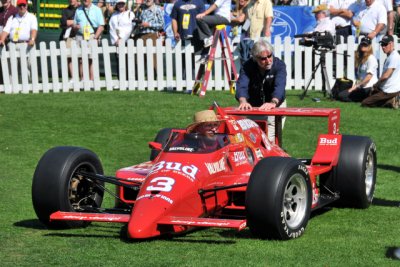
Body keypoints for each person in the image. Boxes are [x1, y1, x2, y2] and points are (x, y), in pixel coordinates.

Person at [235, 38, 286, 142]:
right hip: (253, 106)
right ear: (255, 58)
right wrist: (243, 101)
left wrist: (273, 102)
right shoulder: (247, 66)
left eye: (270, 56)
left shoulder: (279, 65)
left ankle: (273, 156)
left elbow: (280, 86)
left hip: (275, 104)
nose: (268, 61)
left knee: (269, 140)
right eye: (263, 59)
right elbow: (242, 85)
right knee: (251, 138)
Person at [361, 35, 400, 109]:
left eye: (385, 44)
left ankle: (391, 101)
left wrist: (376, 84)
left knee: (365, 103)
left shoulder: (394, 57)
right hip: (386, 88)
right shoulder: (391, 56)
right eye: (382, 44)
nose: (383, 47)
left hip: (389, 90)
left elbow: (386, 75)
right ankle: (390, 101)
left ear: (391, 44)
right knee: (369, 94)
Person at [337, 37, 378, 102]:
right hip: (361, 86)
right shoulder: (361, 58)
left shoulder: (371, 58)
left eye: (365, 45)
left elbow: (368, 77)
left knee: (343, 96)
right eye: (362, 44)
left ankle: (368, 98)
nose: (363, 46)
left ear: (369, 47)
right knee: (341, 94)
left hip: (369, 87)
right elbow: (360, 76)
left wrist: (356, 86)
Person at [72, 0, 105, 80]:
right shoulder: (78, 10)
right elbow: (74, 24)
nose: (85, 0)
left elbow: (101, 26)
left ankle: (92, 80)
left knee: (92, 59)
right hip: (80, 36)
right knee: (81, 59)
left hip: (92, 36)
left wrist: (95, 37)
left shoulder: (97, 10)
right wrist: (75, 27)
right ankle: (83, 79)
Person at [134, 0, 164, 74]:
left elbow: (162, 24)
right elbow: (137, 20)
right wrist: (138, 23)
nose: (147, 0)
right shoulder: (141, 8)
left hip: (152, 35)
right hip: (140, 35)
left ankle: (156, 80)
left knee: (153, 59)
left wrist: (149, 25)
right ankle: (140, 81)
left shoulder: (158, 9)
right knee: (139, 60)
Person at [59, 0, 80, 80]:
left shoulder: (80, 9)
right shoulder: (65, 10)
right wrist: (76, 22)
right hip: (68, 36)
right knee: (69, 57)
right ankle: (73, 78)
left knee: (81, 58)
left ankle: (82, 77)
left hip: (79, 35)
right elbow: (64, 22)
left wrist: (70, 22)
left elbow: (82, 22)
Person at [0, 0, 18, 84]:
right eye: (2, 0)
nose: (4, 1)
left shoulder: (15, 11)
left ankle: (11, 83)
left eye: (5, 0)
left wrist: (14, 39)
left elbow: (17, 27)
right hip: (1, 39)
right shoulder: (0, 10)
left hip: (10, 40)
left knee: (12, 63)